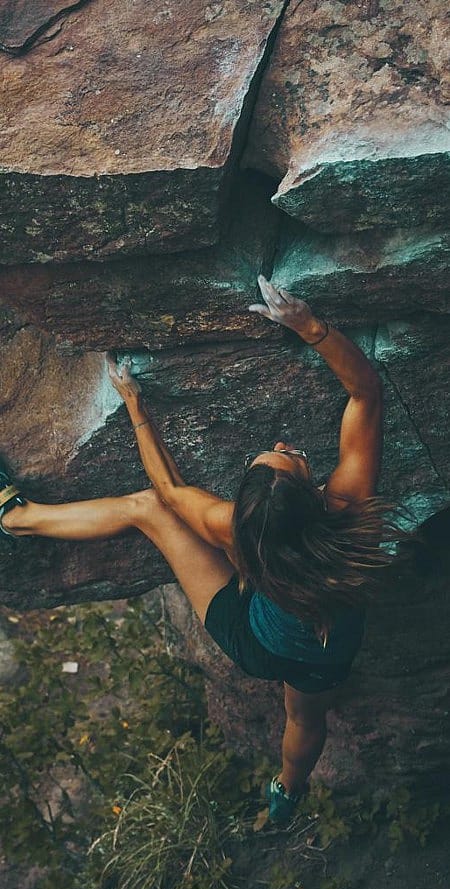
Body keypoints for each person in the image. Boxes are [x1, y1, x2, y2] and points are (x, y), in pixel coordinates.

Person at [0, 275, 385, 826]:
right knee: (304, 719)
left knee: (147, 509)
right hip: (323, 651)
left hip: (257, 641)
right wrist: (310, 326)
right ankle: (288, 791)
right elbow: (365, 391)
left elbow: (169, 491)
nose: (282, 445)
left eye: (279, 455)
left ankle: (20, 519)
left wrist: (135, 404)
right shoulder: (350, 512)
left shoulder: (232, 528)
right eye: (286, 456)